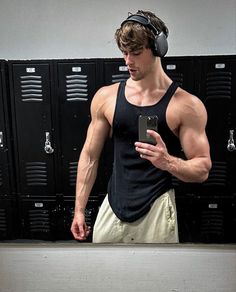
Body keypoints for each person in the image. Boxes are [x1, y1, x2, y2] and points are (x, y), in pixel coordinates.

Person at [71, 10, 212, 243]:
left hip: (156, 207)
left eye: (135, 53)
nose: (128, 61)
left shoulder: (186, 105)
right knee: (103, 275)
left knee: (156, 277)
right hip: (113, 205)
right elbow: (89, 157)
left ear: (158, 49)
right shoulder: (106, 98)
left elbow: (203, 169)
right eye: (124, 53)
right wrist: (79, 210)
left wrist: (167, 162)